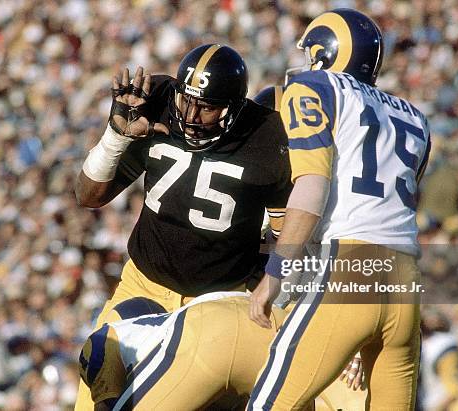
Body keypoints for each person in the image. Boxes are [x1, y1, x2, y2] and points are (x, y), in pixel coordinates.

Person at [74, 44, 292, 409]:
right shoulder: (155, 103)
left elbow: (286, 236)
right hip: (144, 285)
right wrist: (116, 136)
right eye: (185, 102)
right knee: (96, 384)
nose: (191, 116)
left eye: (206, 108)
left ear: (234, 108)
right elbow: (88, 195)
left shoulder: (267, 139)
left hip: (219, 303)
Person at [248, 8, 431, 410]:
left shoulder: (315, 86)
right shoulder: (416, 118)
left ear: (324, 54)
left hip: (348, 265)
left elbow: (312, 190)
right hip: (405, 280)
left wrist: (274, 275)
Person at [79, 293, 365, 411]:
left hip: (209, 339)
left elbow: (106, 405)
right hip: (280, 321)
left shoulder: (111, 334)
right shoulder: (189, 310)